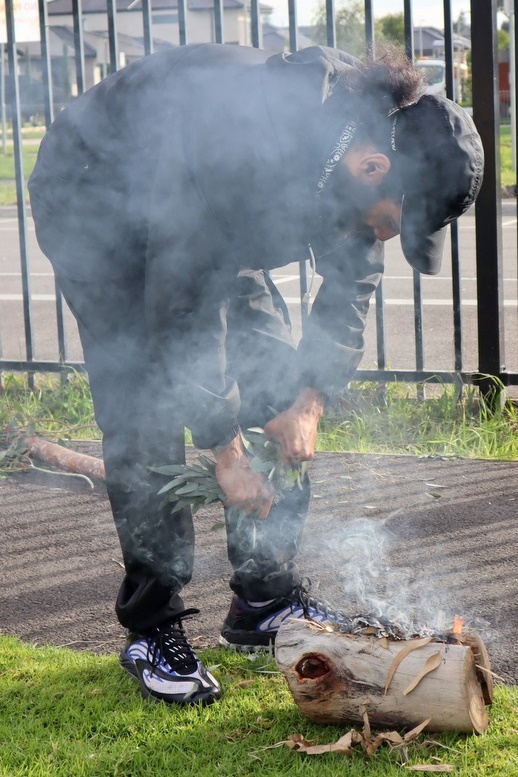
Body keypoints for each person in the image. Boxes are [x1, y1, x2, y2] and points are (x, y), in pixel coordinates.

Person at [28, 42, 484, 707]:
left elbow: (350, 287)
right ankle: (151, 629)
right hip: (97, 195)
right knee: (144, 399)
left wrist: (308, 402)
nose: (384, 237)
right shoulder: (259, 140)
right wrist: (224, 448)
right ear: (372, 167)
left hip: (204, 229)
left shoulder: (358, 144)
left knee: (273, 384)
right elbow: (180, 303)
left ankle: (260, 600)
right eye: (393, 223)